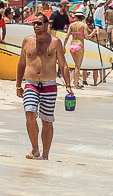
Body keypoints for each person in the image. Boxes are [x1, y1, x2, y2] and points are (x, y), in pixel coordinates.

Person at [16, 14, 73, 160]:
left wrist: (68, 85)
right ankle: (35, 149)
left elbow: (63, 64)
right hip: (31, 83)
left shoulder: (55, 42)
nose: (36, 26)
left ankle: (45, 154)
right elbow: (21, 63)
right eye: (34, 23)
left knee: (47, 122)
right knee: (29, 113)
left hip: (49, 85)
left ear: (47, 24)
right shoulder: (27, 41)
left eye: (39, 23)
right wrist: (18, 85)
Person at [63, 15, 88, 88]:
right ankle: (76, 85)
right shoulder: (84, 25)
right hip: (79, 46)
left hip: (72, 45)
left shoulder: (71, 25)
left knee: (75, 66)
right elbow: (87, 37)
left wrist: (64, 46)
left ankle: (74, 82)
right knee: (77, 66)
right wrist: (93, 33)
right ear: (82, 18)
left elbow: (67, 37)